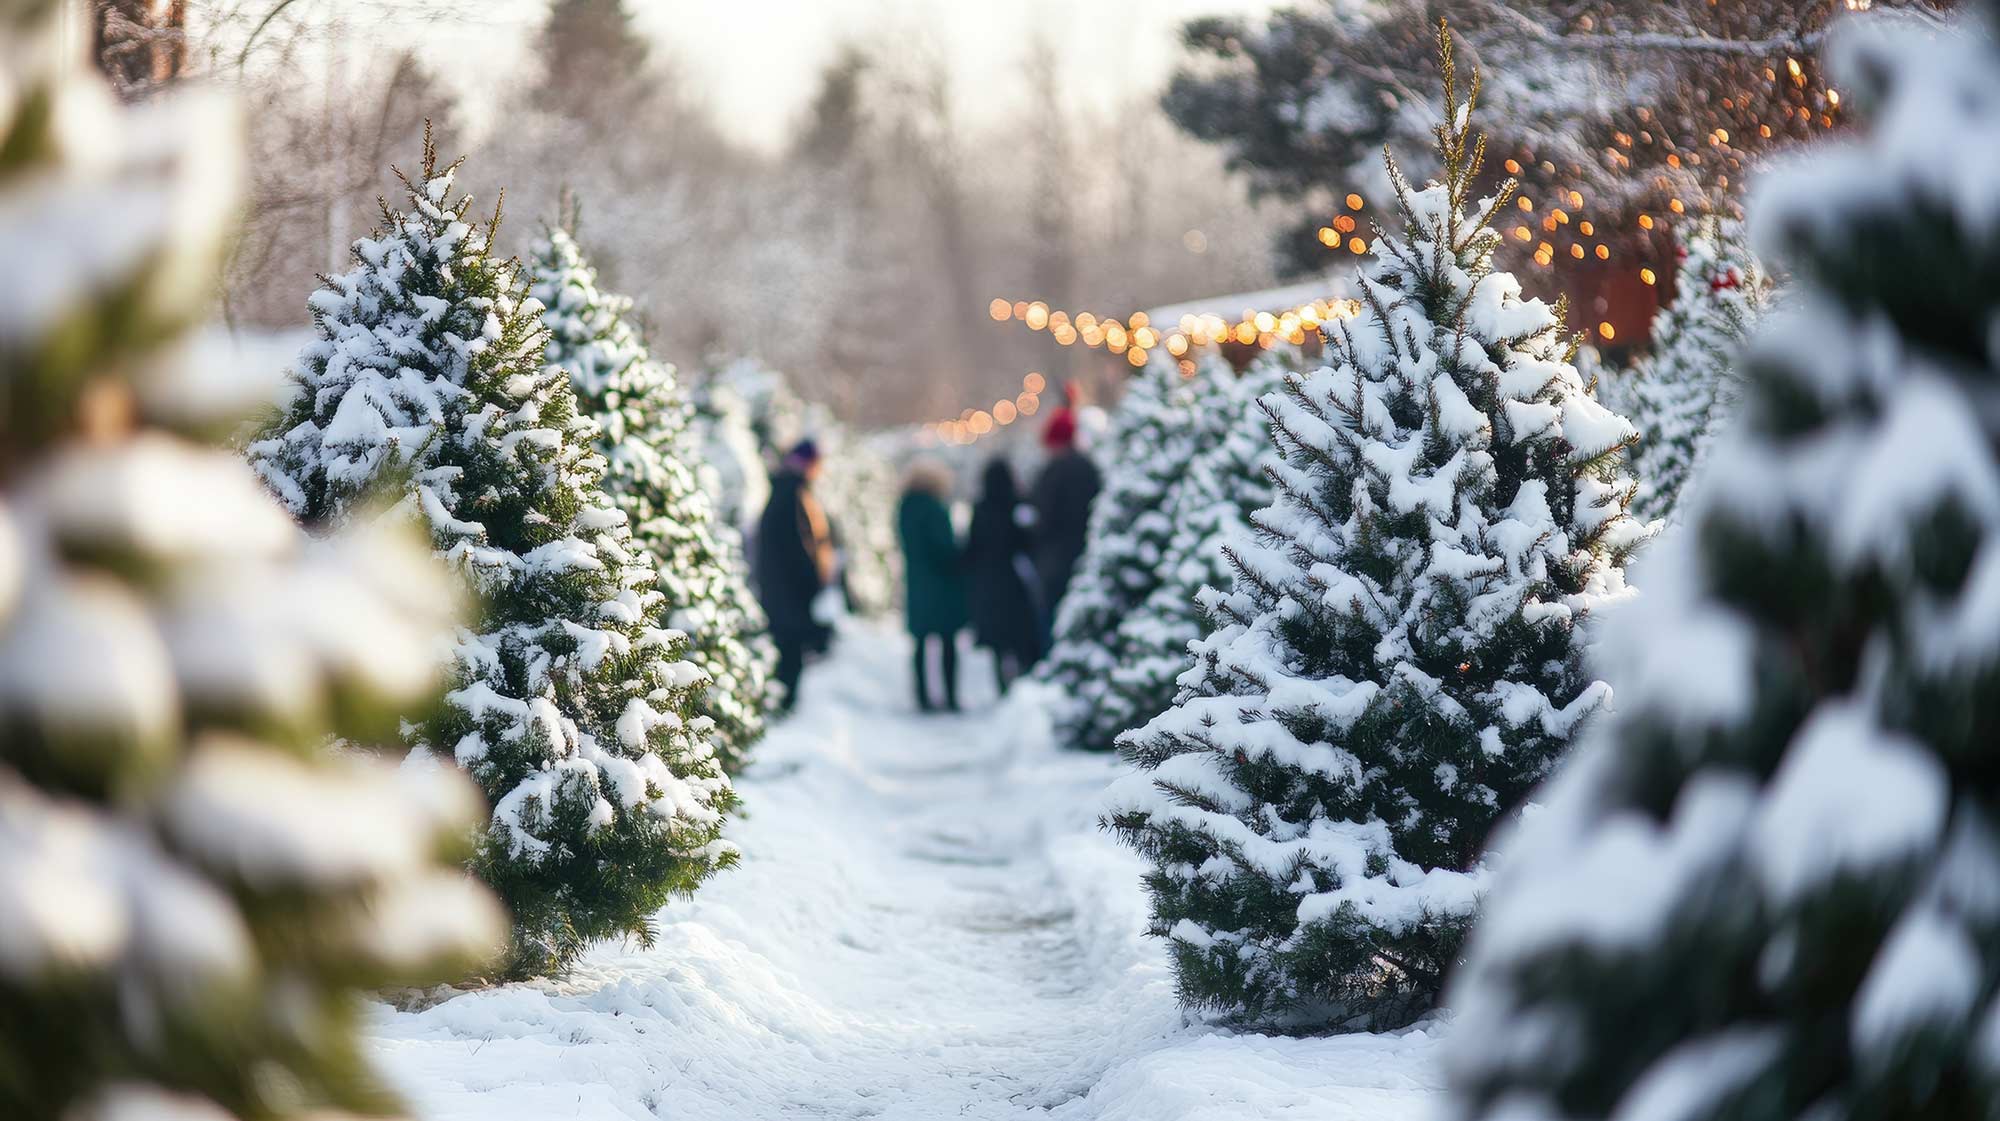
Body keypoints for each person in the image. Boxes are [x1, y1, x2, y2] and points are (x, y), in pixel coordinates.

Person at [754, 439, 834, 712]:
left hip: (781, 589)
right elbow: (799, 545)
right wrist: (812, 580)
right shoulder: (792, 493)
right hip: (789, 591)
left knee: (788, 651)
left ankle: (783, 706)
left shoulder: (785, 489)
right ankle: (783, 708)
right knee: (789, 653)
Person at [964, 457, 1043, 694]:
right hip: (1012, 580)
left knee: (998, 642)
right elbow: (1027, 542)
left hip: (988, 582)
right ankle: (1021, 685)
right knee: (1019, 636)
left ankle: (1003, 688)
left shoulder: (981, 507)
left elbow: (972, 546)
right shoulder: (1017, 505)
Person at [896, 459, 968, 713]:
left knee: (920, 642)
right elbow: (944, 547)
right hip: (941, 584)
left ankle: (922, 696)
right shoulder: (934, 508)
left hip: (917, 581)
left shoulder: (905, 508)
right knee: (947, 640)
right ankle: (950, 695)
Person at [1027, 391, 1101, 639]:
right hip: (1082, 552)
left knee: (1052, 618)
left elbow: (1043, 516)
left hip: (1055, 558)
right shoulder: (1088, 467)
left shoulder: (1053, 472)